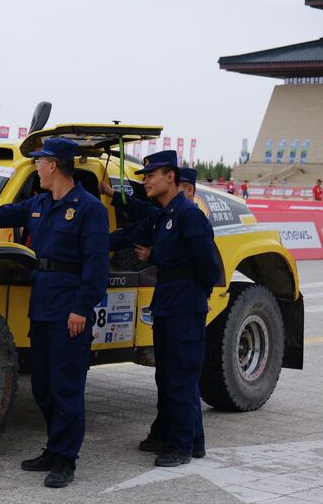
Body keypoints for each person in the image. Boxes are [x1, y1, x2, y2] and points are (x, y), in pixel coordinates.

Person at [0, 137, 109, 488]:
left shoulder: (89, 209)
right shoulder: (39, 203)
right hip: (42, 307)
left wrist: (81, 309)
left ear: (53, 165)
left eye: (40, 161)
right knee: (42, 385)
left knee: (67, 388)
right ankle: (53, 447)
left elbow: (96, 267)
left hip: (69, 311)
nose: (37, 167)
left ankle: (65, 459)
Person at [131, 151, 220, 467]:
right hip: (168, 304)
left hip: (184, 306)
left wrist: (199, 296)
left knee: (182, 376)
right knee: (168, 375)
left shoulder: (189, 215)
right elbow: (174, 258)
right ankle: (188, 440)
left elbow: (208, 265)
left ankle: (181, 446)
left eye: (151, 175)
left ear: (171, 177)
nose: (146, 181)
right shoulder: (167, 215)